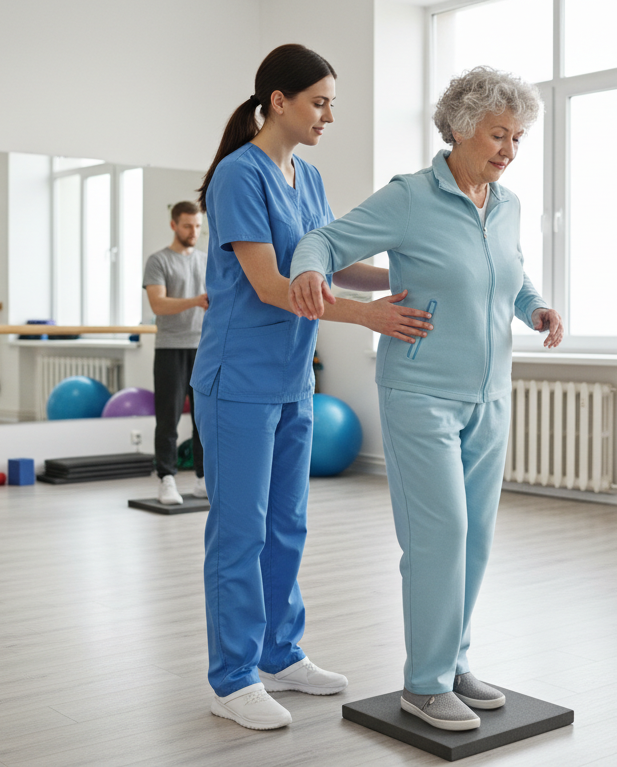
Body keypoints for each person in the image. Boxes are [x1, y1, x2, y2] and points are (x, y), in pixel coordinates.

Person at [288, 66, 564, 732]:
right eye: (498, 134)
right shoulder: (411, 197)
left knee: (474, 540)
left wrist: (536, 307)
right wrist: (307, 271)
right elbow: (323, 240)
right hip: (420, 392)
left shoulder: (506, 204)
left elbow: (512, 272)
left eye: (517, 138)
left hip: (489, 393)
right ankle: (423, 682)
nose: (508, 149)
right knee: (439, 536)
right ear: (462, 129)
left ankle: (453, 662)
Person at [191, 43, 435, 731]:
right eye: (320, 101)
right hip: (236, 378)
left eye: (331, 102)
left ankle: (278, 651)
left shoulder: (309, 175)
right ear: (278, 101)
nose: (329, 114)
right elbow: (273, 286)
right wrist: (368, 316)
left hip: (292, 379)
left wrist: (397, 278)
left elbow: (320, 263)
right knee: (239, 530)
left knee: (286, 524)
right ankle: (232, 675)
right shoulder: (240, 176)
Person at [143, 200, 209, 505]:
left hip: (203, 348)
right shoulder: (158, 261)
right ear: (173, 225)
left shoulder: (207, 260)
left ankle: (202, 478)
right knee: (168, 418)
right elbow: (158, 304)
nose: (193, 231)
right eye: (187, 226)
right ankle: (167, 479)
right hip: (171, 348)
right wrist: (195, 300)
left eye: (197, 226)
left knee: (204, 419)